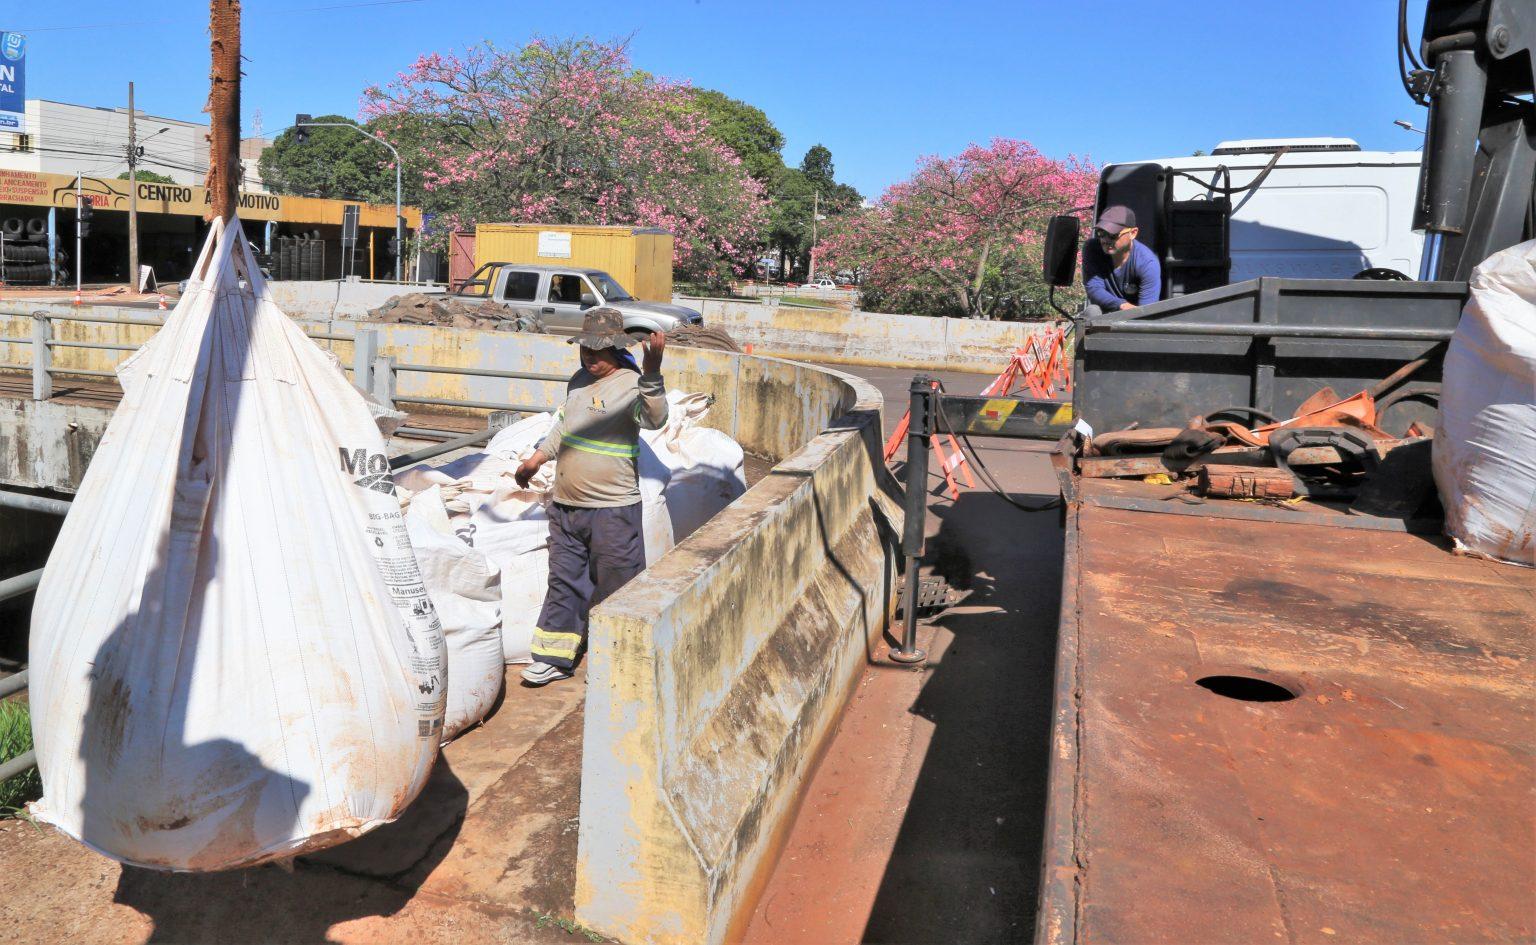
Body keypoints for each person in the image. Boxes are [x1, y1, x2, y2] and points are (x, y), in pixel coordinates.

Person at [513, 307, 668, 685]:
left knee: (616, 584)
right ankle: (553, 657)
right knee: (564, 580)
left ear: (615, 349)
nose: (590, 358)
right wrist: (537, 458)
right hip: (567, 505)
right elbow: (564, 425)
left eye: (598, 352)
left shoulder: (632, 383)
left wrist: (652, 372)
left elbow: (655, 419)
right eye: (586, 350)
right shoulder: (579, 380)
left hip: (612, 509)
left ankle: (613, 660)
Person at [1082, 205, 1162, 311]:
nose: (1105, 240)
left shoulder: (1147, 263)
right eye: (1101, 233)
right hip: (1102, 320)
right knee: (1092, 311)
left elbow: (1146, 312)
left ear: (1133, 233)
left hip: (1135, 321)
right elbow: (1094, 288)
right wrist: (1122, 305)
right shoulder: (1092, 249)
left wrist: (1132, 314)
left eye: (1113, 235)